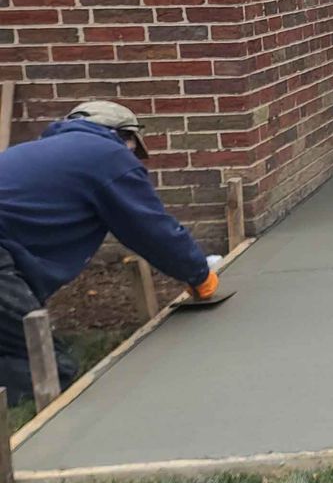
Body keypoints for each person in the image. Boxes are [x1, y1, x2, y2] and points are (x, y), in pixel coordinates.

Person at [0, 101, 219, 400]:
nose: (132, 157)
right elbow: (152, 230)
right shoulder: (107, 155)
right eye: (132, 147)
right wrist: (199, 274)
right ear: (123, 135)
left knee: (12, 344)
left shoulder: (40, 153)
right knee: (52, 370)